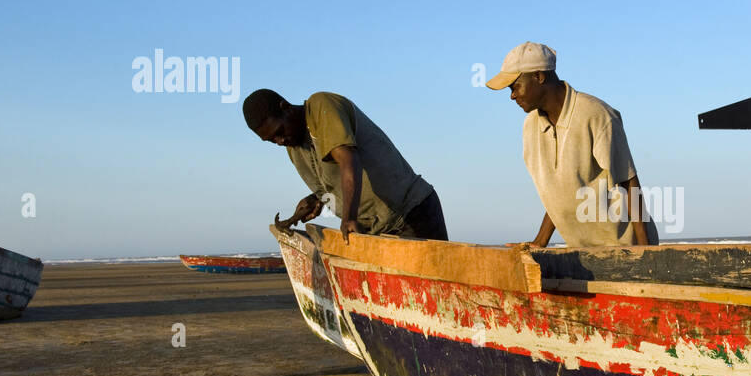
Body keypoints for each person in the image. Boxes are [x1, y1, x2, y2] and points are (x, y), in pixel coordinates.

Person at [485, 42, 658, 248]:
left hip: (625, 247)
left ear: (539, 77)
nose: (512, 95)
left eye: (515, 86)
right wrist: (540, 242)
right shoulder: (530, 126)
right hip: (582, 253)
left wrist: (646, 252)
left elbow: (629, 183)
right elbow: (559, 193)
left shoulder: (596, 115)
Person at [242, 89, 447, 242]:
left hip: (411, 214)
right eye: (271, 140)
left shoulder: (321, 106)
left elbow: (349, 161)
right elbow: (330, 186)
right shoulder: (293, 145)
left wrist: (348, 218)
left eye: (279, 131)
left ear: (286, 108)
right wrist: (316, 200)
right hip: (374, 232)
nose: (279, 141)